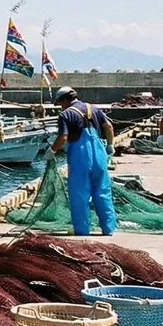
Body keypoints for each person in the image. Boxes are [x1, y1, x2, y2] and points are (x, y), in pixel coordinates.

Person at [50, 86, 116, 235]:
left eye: (61, 103)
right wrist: (110, 145)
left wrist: (52, 151)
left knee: (79, 194)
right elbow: (109, 127)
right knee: (103, 191)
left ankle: (82, 230)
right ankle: (108, 228)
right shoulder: (94, 109)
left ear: (65, 100)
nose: (61, 106)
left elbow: (63, 137)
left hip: (80, 156)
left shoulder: (66, 114)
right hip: (99, 155)